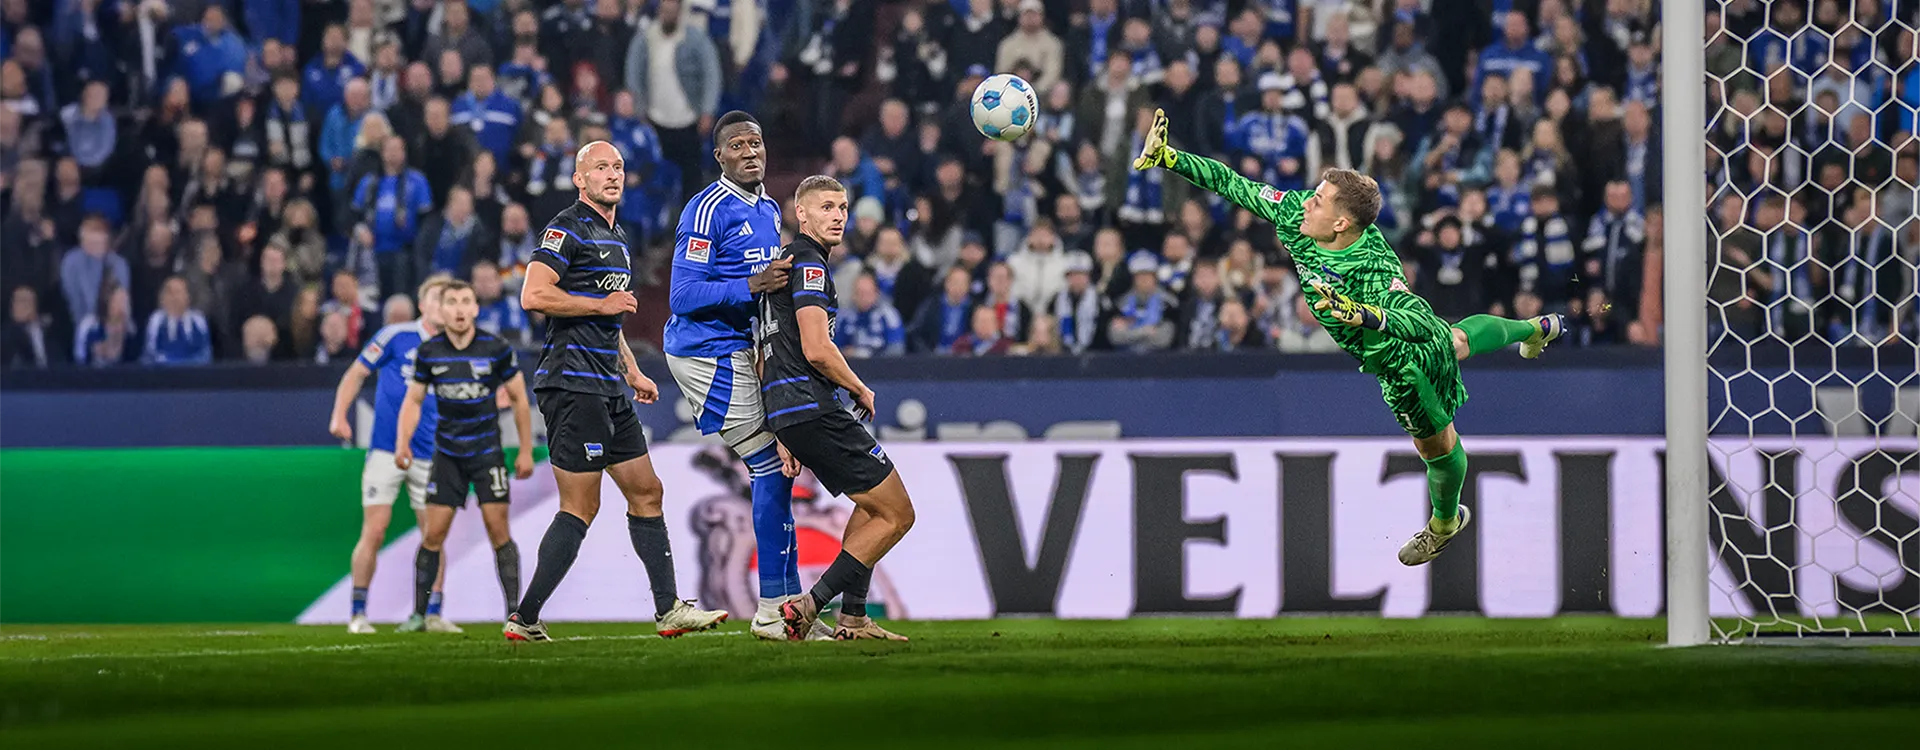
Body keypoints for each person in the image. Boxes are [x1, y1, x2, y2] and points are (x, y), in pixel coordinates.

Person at [1133, 108, 1564, 566]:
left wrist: (1363, 314)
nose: (1306, 202)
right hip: (1405, 340)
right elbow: (1235, 184)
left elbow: (1417, 322)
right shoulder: (1296, 213)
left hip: (1403, 359)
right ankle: (1537, 329)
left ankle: (1444, 522)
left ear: (1341, 223)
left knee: (1437, 443)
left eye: (1318, 200)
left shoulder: (1373, 265)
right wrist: (1169, 157)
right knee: (1458, 340)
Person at [505, 141, 729, 642]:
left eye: (618, 167)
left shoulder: (618, 236)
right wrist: (599, 305)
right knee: (581, 506)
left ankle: (669, 609)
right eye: (600, 167)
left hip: (608, 382)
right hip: (571, 382)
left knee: (647, 491)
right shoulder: (567, 227)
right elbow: (534, 294)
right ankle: (525, 615)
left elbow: (610, 317)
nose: (612, 175)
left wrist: (631, 369)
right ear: (579, 179)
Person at [659, 111, 829, 641]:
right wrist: (752, 283)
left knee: (781, 469)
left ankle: (790, 612)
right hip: (703, 349)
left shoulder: (767, 210)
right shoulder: (706, 209)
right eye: (738, 144)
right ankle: (772, 613)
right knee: (768, 464)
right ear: (721, 157)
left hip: (740, 347)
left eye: (756, 142)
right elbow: (682, 297)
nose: (751, 151)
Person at [764, 176, 914, 641]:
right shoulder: (809, 264)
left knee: (869, 505)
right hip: (813, 403)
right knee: (898, 514)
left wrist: (779, 426)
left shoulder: (781, 266)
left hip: (790, 407)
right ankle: (811, 604)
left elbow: (764, 348)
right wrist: (859, 386)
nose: (838, 216)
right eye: (826, 207)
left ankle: (853, 618)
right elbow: (816, 347)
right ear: (801, 214)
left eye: (843, 208)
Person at [394, 280, 533, 630]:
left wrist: (526, 450)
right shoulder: (430, 352)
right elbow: (412, 400)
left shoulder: (496, 347)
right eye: (451, 301)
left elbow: (519, 399)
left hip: (487, 453)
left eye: (465, 301)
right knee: (433, 534)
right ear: (440, 310)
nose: (458, 309)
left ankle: (514, 613)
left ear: (475, 309)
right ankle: (419, 614)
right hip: (448, 456)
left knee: (497, 530)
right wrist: (402, 443)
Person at [326, 277, 456, 634]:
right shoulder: (395, 336)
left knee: (434, 534)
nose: (442, 304)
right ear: (422, 302)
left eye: (447, 299)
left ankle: (432, 612)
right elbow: (356, 373)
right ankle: (357, 613)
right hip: (385, 449)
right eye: (436, 297)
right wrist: (339, 414)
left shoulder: (456, 346)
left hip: (431, 454)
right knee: (376, 529)